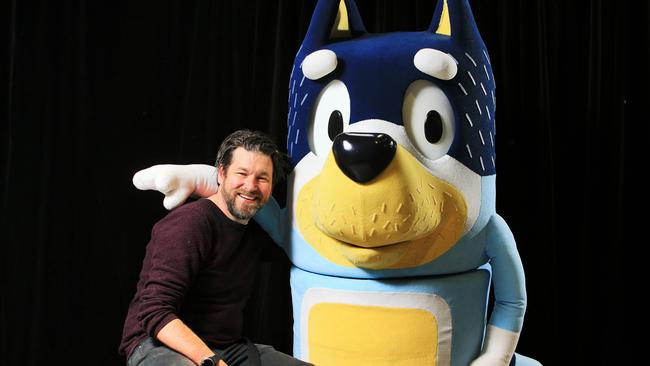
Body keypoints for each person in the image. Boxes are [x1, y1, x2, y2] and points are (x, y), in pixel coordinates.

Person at [119, 130, 311, 366]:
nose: (250, 186)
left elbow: (303, 250)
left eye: (262, 178)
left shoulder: (256, 232)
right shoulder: (189, 224)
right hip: (157, 343)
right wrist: (211, 361)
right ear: (221, 173)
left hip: (227, 347)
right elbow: (154, 312)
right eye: (242, 173)